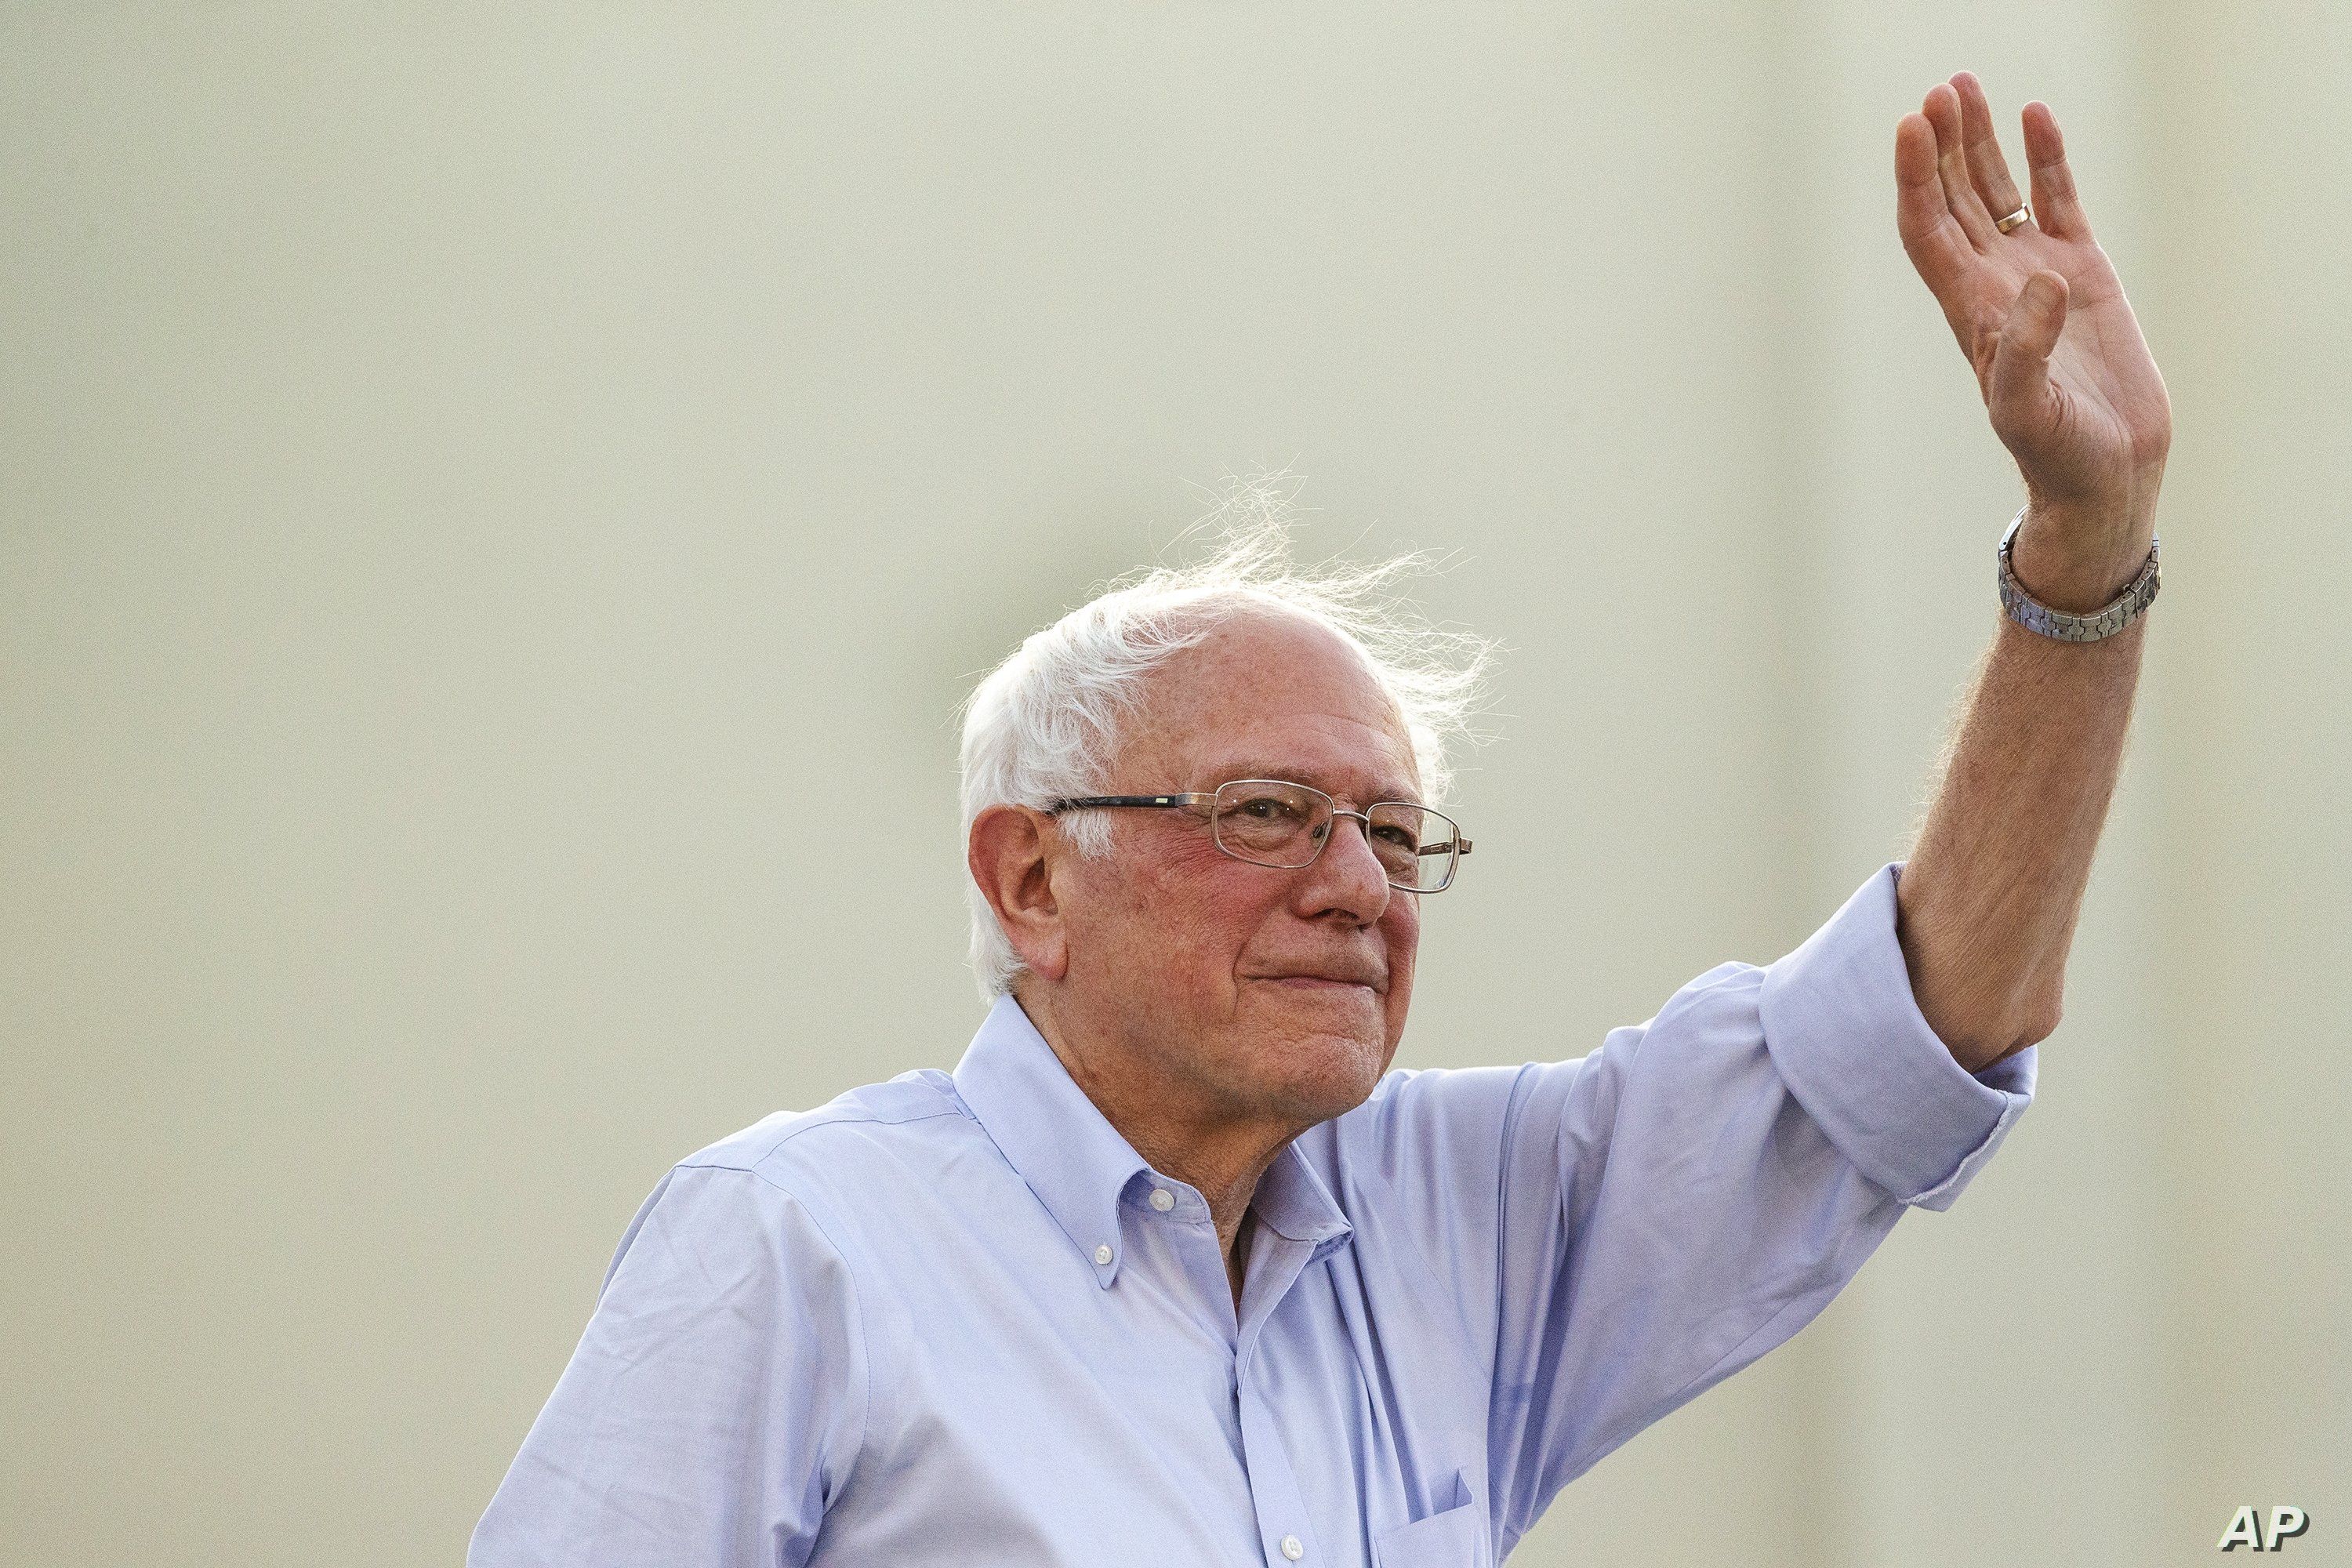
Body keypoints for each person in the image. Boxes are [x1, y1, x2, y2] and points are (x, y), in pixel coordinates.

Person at [471, 70, 2168, 1566]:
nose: (1358, 885)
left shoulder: (1460, 1226)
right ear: (1033, 874)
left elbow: (1918, 1032)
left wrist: (2086, 547)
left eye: (1391, 831)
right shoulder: (799, 1240)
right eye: (1270, 812)